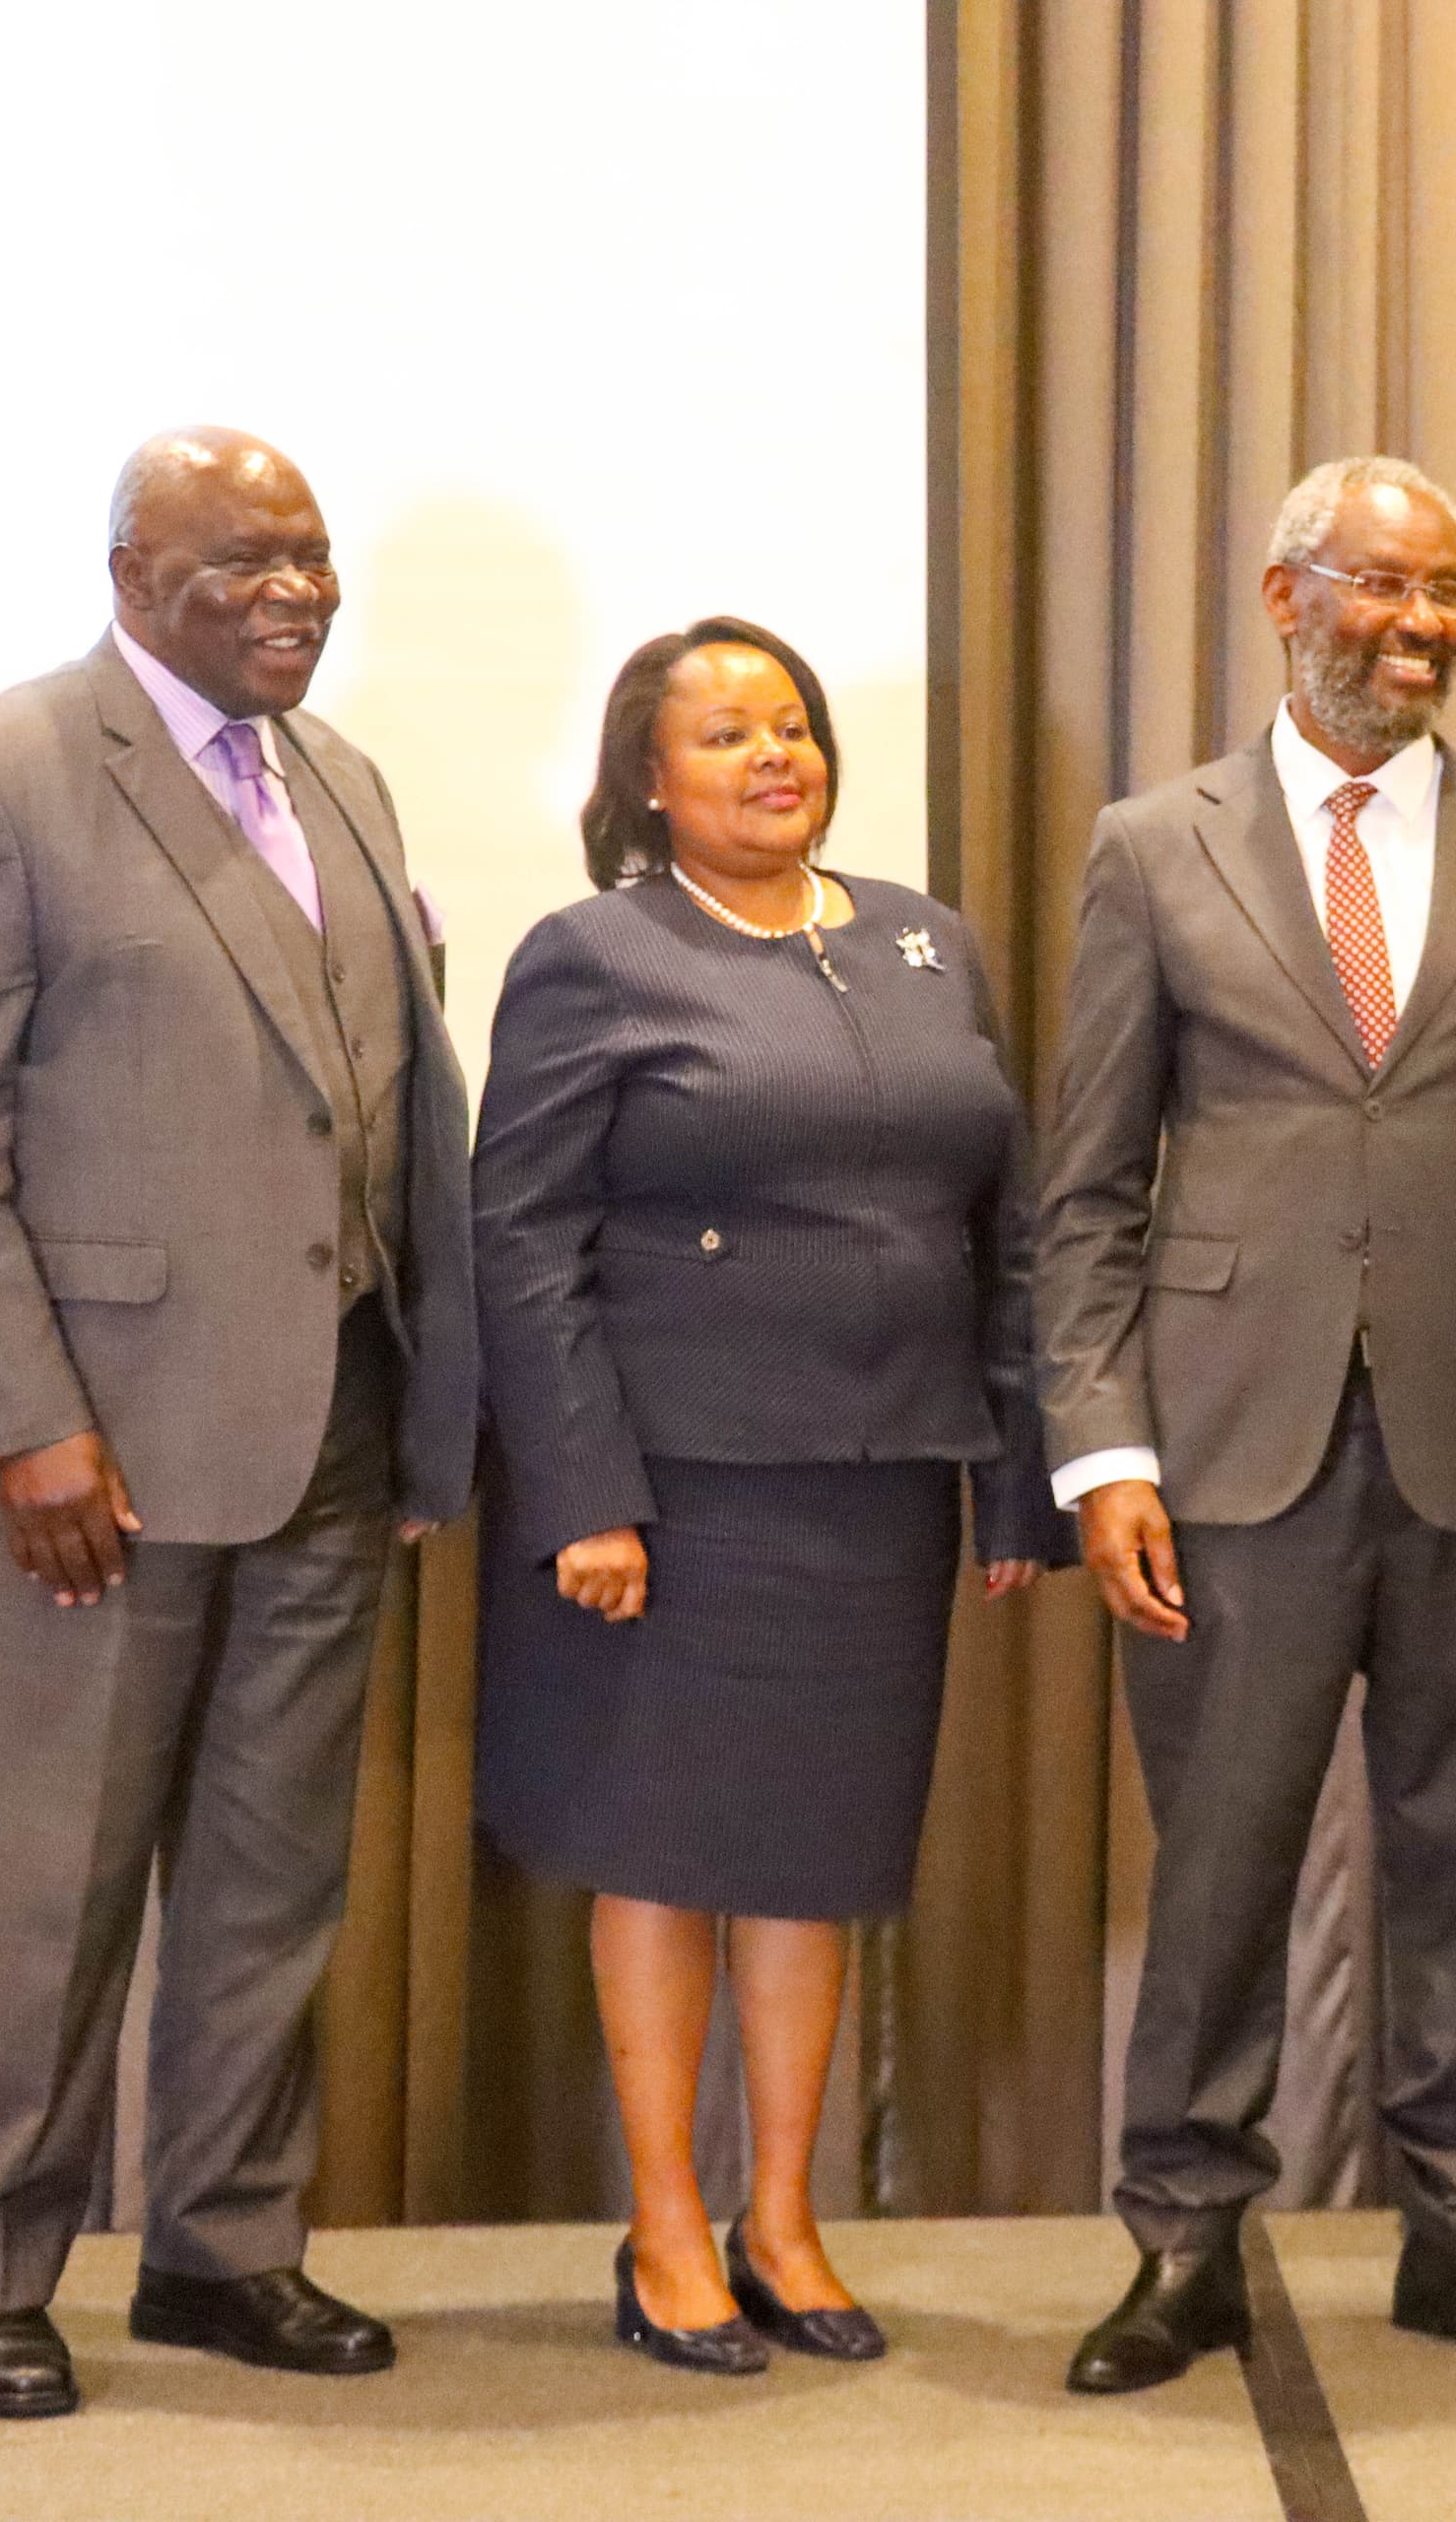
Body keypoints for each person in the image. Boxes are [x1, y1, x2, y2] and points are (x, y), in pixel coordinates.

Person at [0, 427, 479, 2419]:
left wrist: (429, 1393)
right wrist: (21, 1417)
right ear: (131, 570)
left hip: (330, 1426)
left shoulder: (343, 781)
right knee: (49, 1884)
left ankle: (223, 2245)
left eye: (309, 557)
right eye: (240, 563)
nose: (290, 592)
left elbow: (378, 1103)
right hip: (90, 1456)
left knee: (270, 1876)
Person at [1036, 455, 1456, 2391]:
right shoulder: (1156, 847)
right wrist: (1103, 1447)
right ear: (1283, 594)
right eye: (1383, 591)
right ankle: (1185, 2240)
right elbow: (1085, 1188)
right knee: (1219, 1864)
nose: (1420, 629)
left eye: (1448, 596)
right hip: (1229, 1448)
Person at [470, 617, 1064, 2374]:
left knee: (816, 1864)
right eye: (724, 734)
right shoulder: (597, 954)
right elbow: (521, 1239)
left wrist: (1016, 1481)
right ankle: (666, 2232)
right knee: (662, 1855)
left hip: (881, 1483)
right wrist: (583, 1492)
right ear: (648, 780)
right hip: (676, 1490)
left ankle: (784, 2221)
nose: (771, 756)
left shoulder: (920, 940)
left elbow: (1007, 1228)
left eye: (790, 725)